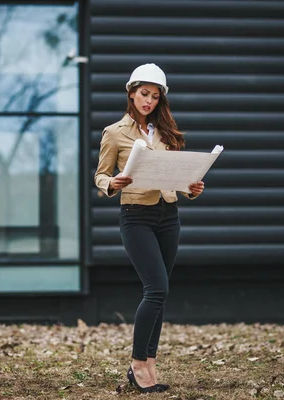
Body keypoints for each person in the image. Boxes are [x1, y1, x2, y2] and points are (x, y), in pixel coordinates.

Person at [94, 63, 205, 393]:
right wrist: (112, 182)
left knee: (161, 293)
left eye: (155, 96)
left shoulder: (167, 132)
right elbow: (100, 175)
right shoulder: (115, 133)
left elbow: (176, 177)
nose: (149, 101)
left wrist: (191, 188)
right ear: (131, 93)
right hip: (136, 215)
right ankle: (138, 363)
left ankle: (149, 364)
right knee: (156, 289)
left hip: (168, 217)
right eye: (144, 94)